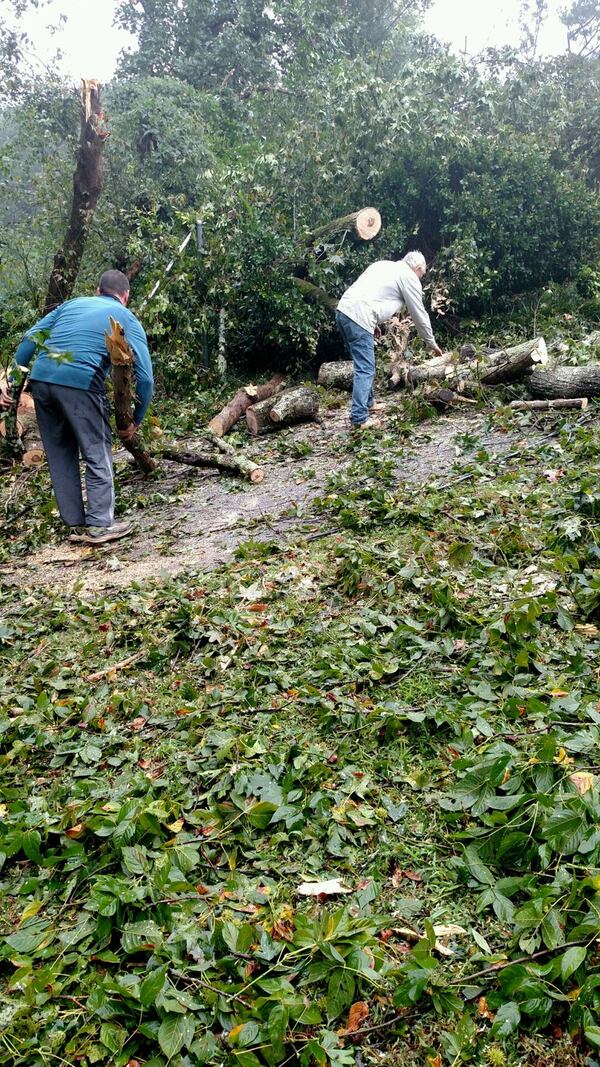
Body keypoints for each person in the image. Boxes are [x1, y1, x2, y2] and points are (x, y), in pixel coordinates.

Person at [8, 269, 153, 544]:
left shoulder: (71, 305)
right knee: (97, 451)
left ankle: (74, 524)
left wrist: (15, 384)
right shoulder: (125, 317)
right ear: (126, 296)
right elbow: (145, 375)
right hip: (81, 384)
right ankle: (99, 525)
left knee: (61, 454)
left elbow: (29, 339)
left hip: (41, 381)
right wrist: (136, 419)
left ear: (97, 290)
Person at [336, 250, 444, 430]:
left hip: (344, 312)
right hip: (359, 317)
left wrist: (373, 323)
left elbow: (369, 294)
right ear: (417, 268)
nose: (420, 278)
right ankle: (359, 418)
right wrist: (431, 342)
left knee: (363, 365)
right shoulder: (408, 276)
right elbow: (419, 314)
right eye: (421, 274)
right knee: (366, 368)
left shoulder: (384, 265)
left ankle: (369, 403)